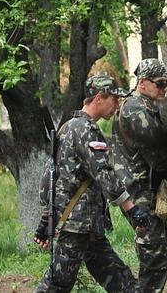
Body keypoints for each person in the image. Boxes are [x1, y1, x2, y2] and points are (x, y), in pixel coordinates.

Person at [33, 74, 151, 293]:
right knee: (57, 284)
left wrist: (47, 216)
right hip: (77, 224)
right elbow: (104, 173)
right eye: (114, 100)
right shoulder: (86, 129)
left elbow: (49, 176)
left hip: (84, 224)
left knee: (120, 279)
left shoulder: (67, 127)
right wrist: (131, 208)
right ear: (99, 98)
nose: (117, 105)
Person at [110, 58, 167, 292]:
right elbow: (158, 154)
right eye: (160, 83)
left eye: (166, 83)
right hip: (138, 192)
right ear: (142, 83)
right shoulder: (134, 109)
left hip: (146, 189)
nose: (164, 88)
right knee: (155, 258)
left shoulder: (146, 107)